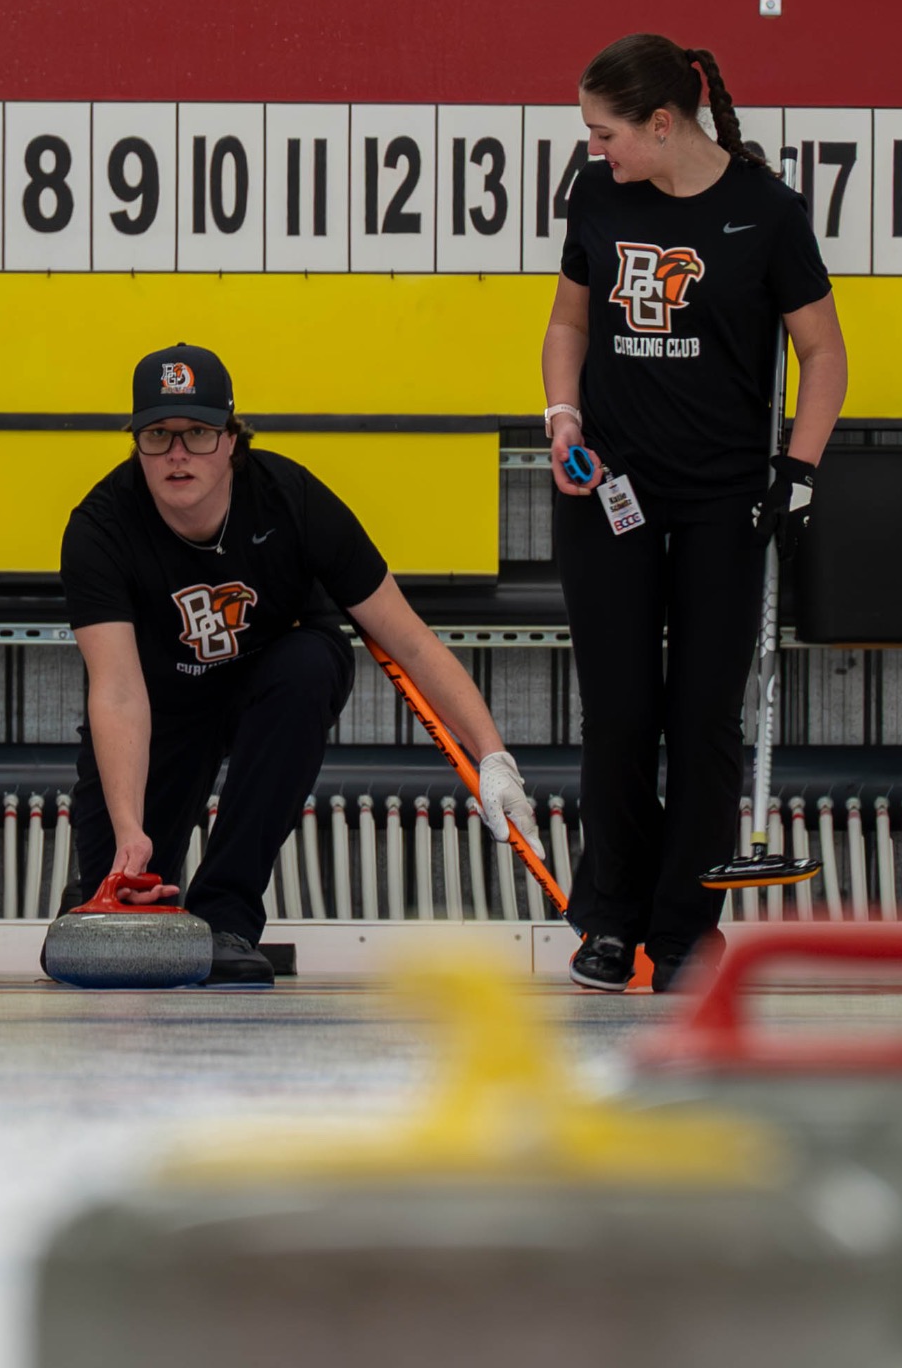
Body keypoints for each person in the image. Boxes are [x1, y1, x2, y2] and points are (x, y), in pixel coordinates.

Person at [58, 344, 540, 986]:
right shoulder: (99, 528)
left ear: (232, 439)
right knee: (122, 915)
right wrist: (128, 832)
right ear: (137, 444)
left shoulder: (290, 500)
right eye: (158, 435)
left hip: (268, 683)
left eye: (199, 432)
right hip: (160, 703)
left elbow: (411, 641)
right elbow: (117, 692)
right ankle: (124, 884)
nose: (178, 454)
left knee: (312, 660)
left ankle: (225, 916)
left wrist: (493, 758)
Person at [542, 33, 847, 994]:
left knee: (703, 717)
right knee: (620, 715)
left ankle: (683, 931)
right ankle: (608, 922)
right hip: (611, 496)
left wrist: (798, 472)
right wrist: (562, 420)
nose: (597, 151)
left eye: (605, 133)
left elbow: (823, 354)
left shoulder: (766, 212)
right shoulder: (599, 197)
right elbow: (567, 324)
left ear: (662, 123)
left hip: (724, 501)